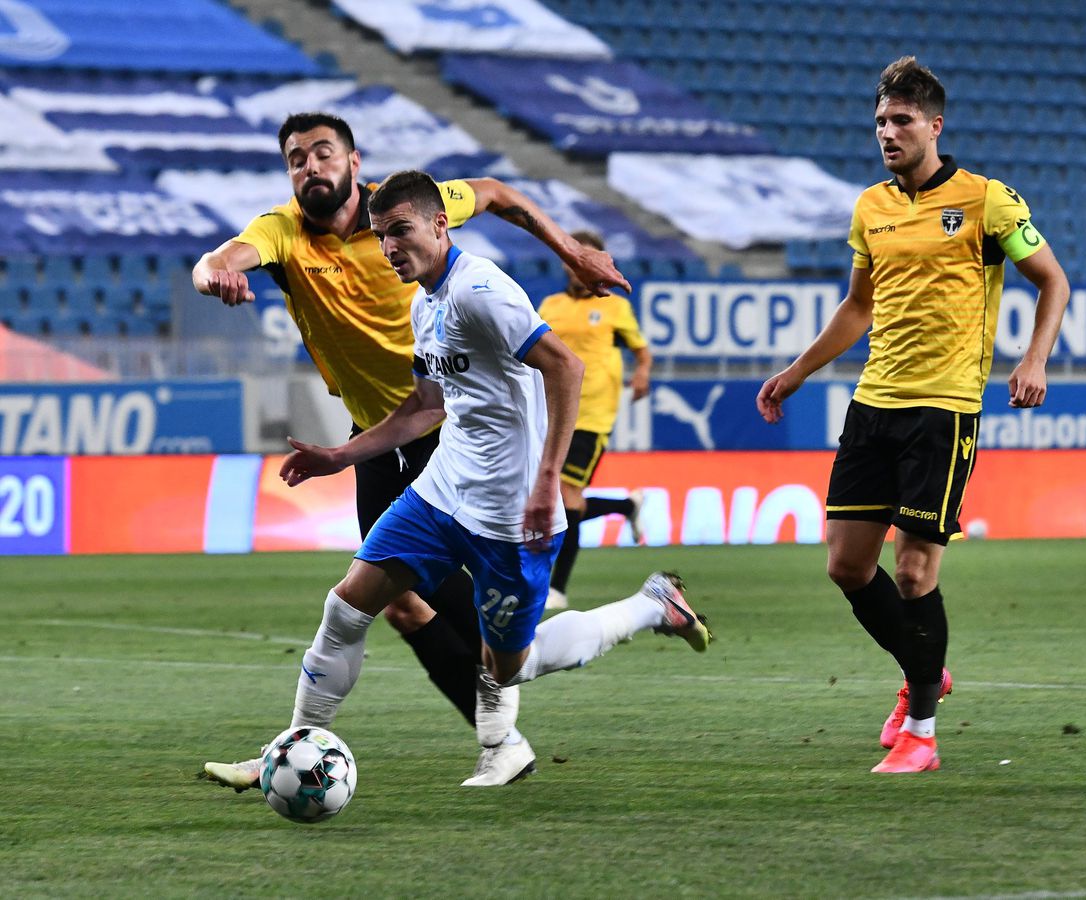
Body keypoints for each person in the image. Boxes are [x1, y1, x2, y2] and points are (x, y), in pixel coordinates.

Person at [205, 170, 710, 788]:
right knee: (346, 606)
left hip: (510, 509)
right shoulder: (424, 301)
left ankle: (650, 606)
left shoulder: (480, 291)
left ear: (440, 225)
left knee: (510, 667)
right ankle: (289, 750)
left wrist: (548, 478)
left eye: (400, 231)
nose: (389, 247)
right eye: (380, 235)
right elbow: (424, 407)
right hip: (441, 490)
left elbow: (566, 368)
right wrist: (341, 456)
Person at [756, 57, 1069, 774]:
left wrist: (1034, 360)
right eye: (879, 122)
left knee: (915, 570)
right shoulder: (872, 208)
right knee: (845, 564)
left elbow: (1053, 279)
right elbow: (859, 306)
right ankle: (926, 669)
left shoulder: (987, 201)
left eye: (900, 121)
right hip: (874, 404)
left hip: (945, 409)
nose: (887, 133)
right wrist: (798, 372)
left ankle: (921, 729)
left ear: (934, 125)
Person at [536, 230, 653, 611]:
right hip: (552, 408)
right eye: (571, 262)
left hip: (593, 412)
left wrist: (642, 373)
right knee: (559, 498)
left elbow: (641, 350)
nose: (576, 270)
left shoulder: (615, 307)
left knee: (567, 493)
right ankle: (625, 508)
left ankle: (558, 587)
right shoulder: (549, 305)